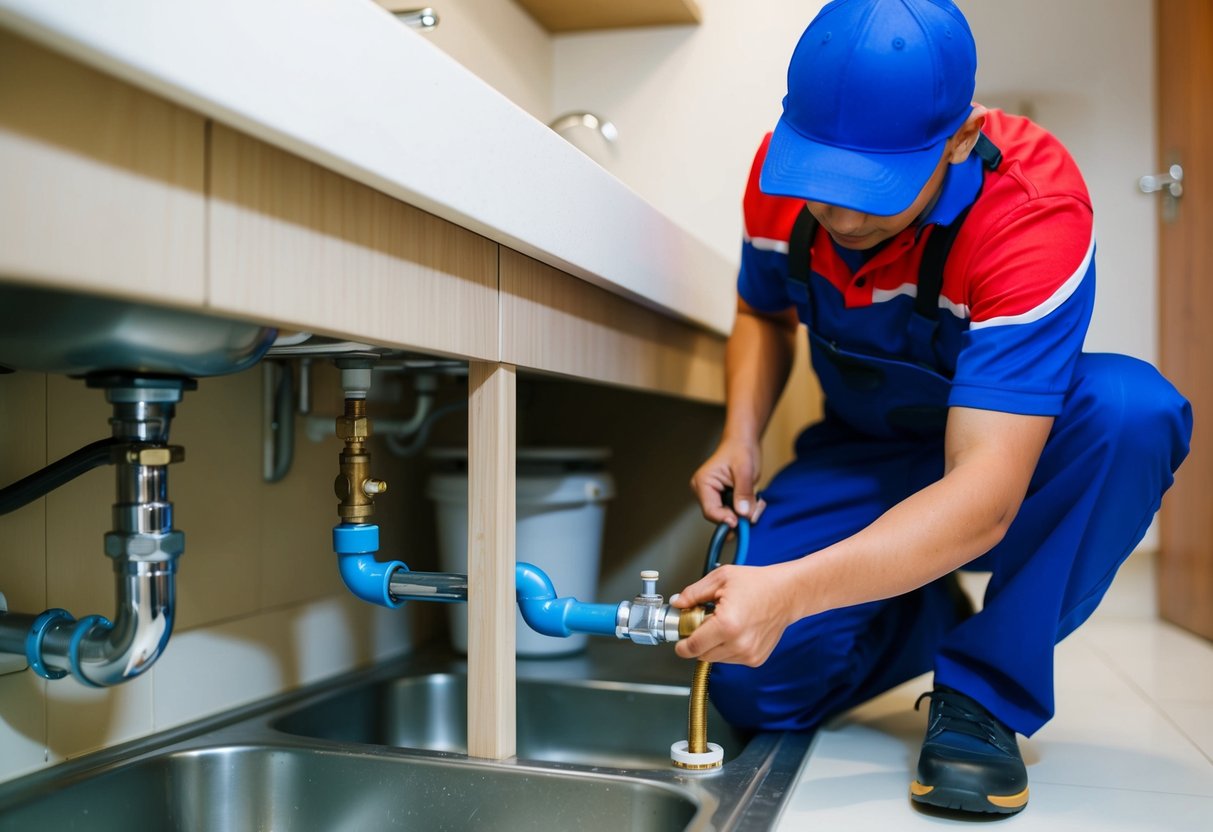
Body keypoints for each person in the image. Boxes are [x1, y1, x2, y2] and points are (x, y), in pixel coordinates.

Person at [670, 0, 1192, 817]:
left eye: (872, 194)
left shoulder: (1031, 210)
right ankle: (916, 605)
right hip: (866, 454)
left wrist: (795, 589)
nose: (838, 219)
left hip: (1008, 458)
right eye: (819, 189)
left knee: (1131, 411)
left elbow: (983, 490)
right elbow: (760, 311)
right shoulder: (783, 171)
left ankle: (983, 691)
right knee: (751, 684)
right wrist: (739, 435)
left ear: (958, 138)